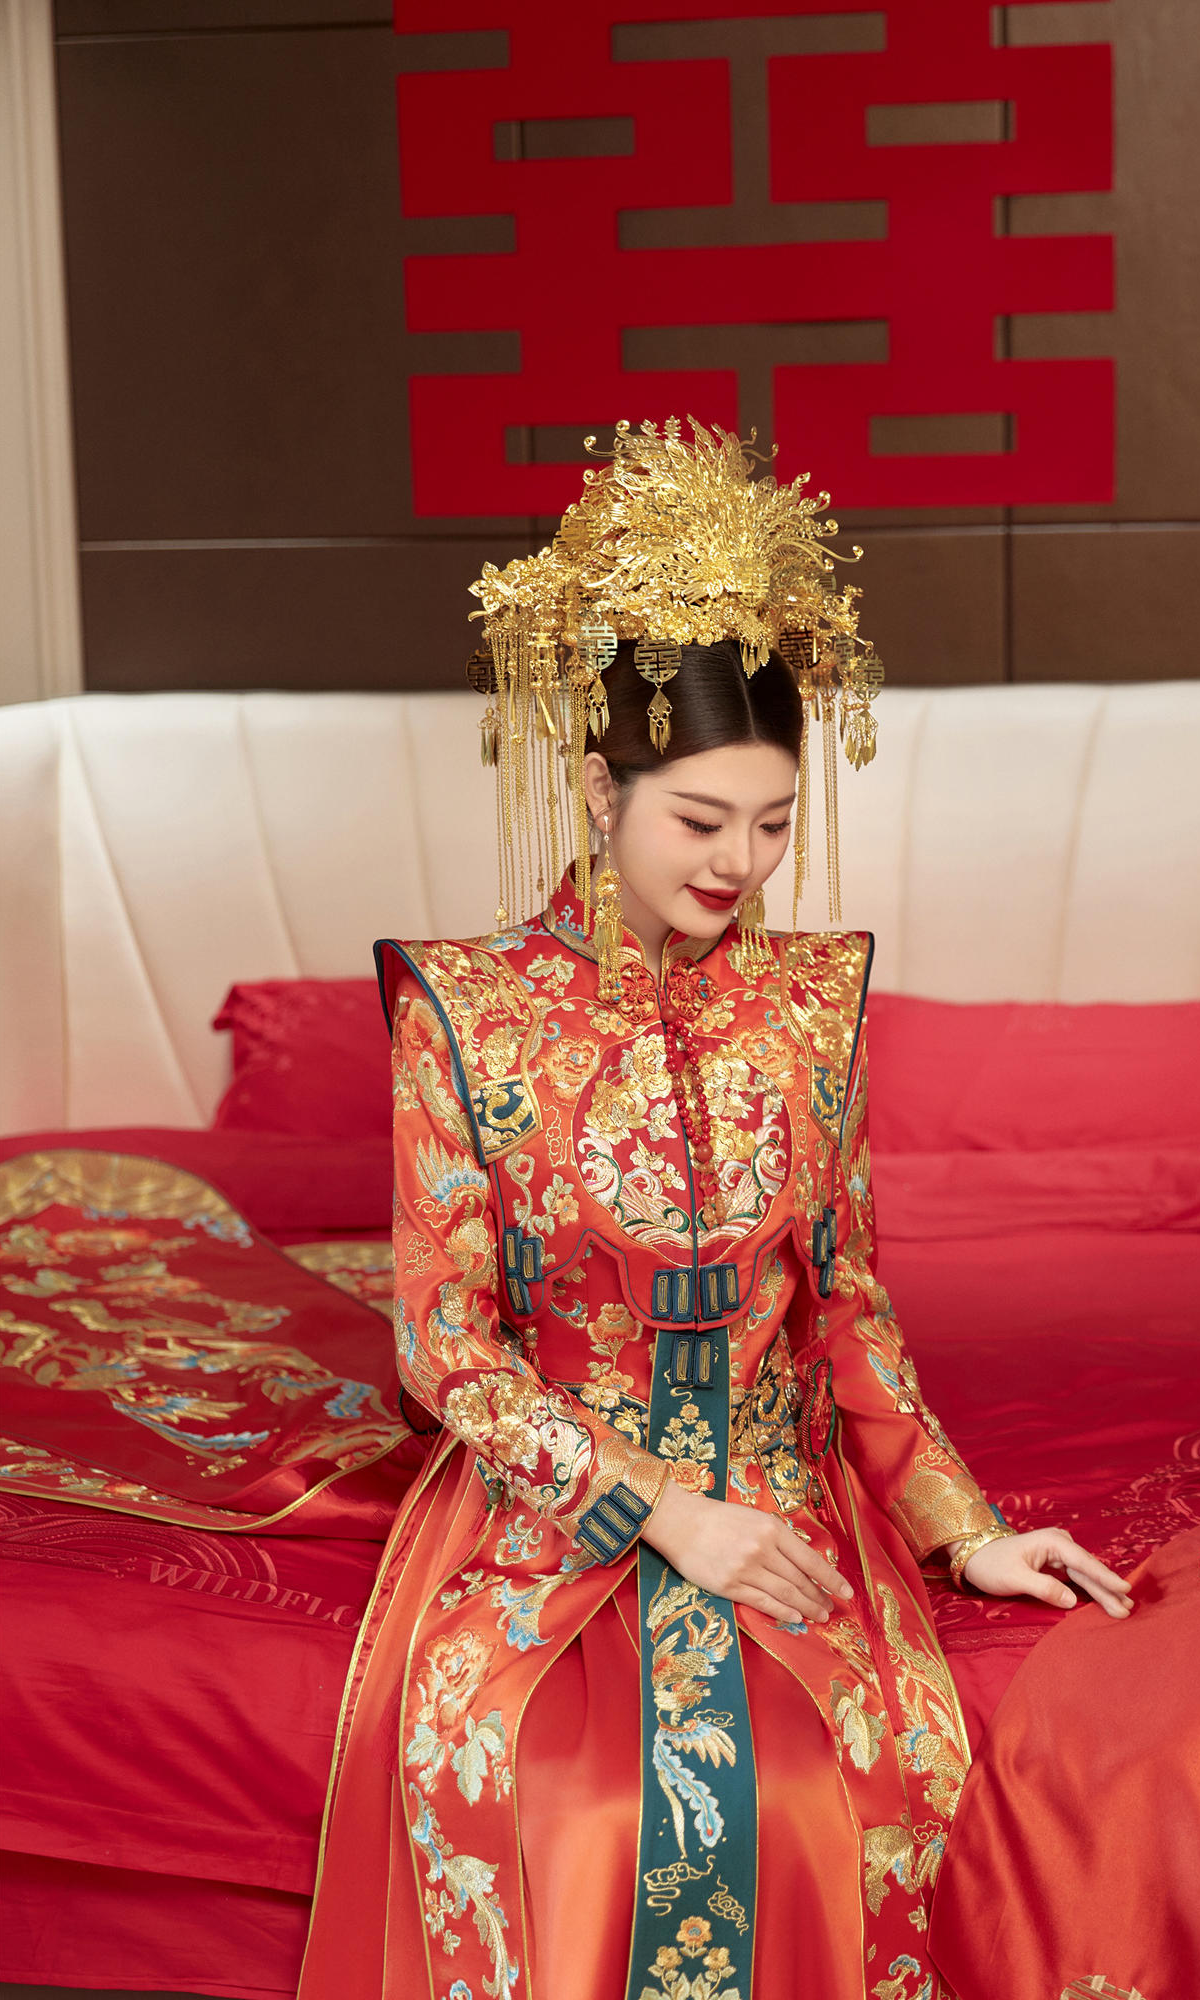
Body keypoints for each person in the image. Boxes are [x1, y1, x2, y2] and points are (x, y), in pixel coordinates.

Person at [296, 420, 1132, 2000]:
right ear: (599, 789)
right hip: (556, 1491)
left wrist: (965, 1530)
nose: (742, 861)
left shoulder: (813, 1007)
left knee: (863, 1775)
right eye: (699, 820)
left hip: (783, 1478)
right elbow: (443, 1344)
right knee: (547, 1790)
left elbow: (848, 1301)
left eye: (773, 821)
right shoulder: (465, 1016)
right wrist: (661, 1513)